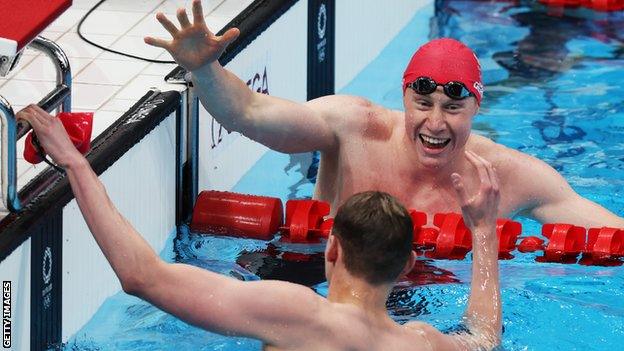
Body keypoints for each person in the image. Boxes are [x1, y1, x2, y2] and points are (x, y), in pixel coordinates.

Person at [18, 103, 501, 350]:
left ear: (332, 251)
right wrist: (482, 233)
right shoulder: (420, 342)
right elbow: (484, 338)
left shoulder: (299, 315)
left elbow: (142, 275)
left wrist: (75, 163)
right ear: (408, 265)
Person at [143, 0, 624, 228]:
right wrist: (205, 70)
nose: (435, 123)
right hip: (327, 283)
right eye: (424, 103)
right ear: (404, 97)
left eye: (453, 108)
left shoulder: (509, 176)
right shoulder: (353, 127)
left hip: (431, 307)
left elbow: (609, 231)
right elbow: (249, 112)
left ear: (477, 107)